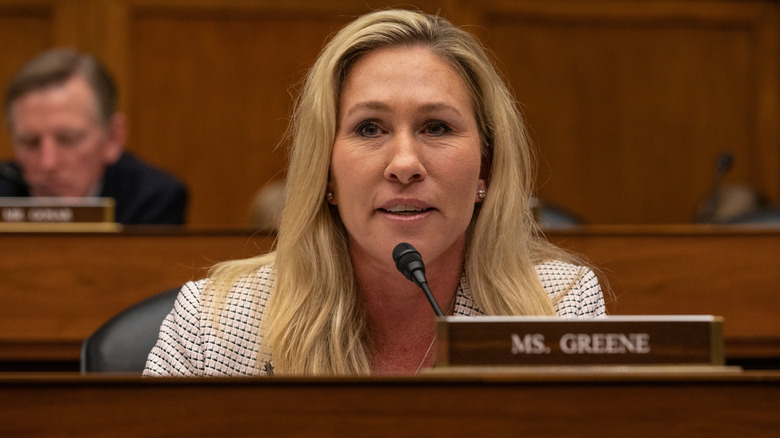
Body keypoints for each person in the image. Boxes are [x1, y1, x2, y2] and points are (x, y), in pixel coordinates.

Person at [144, 9, 606, 377]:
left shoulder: (556, 310)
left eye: (436, 127)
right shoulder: (216, 324)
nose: (404, 164)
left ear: (485, 166)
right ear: (325, 172)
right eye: (369, 128)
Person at [1, 48, 188, 225]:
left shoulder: (152, 199)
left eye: (68, 139)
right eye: (30, 142)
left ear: (113, 137)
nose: (48, 163)